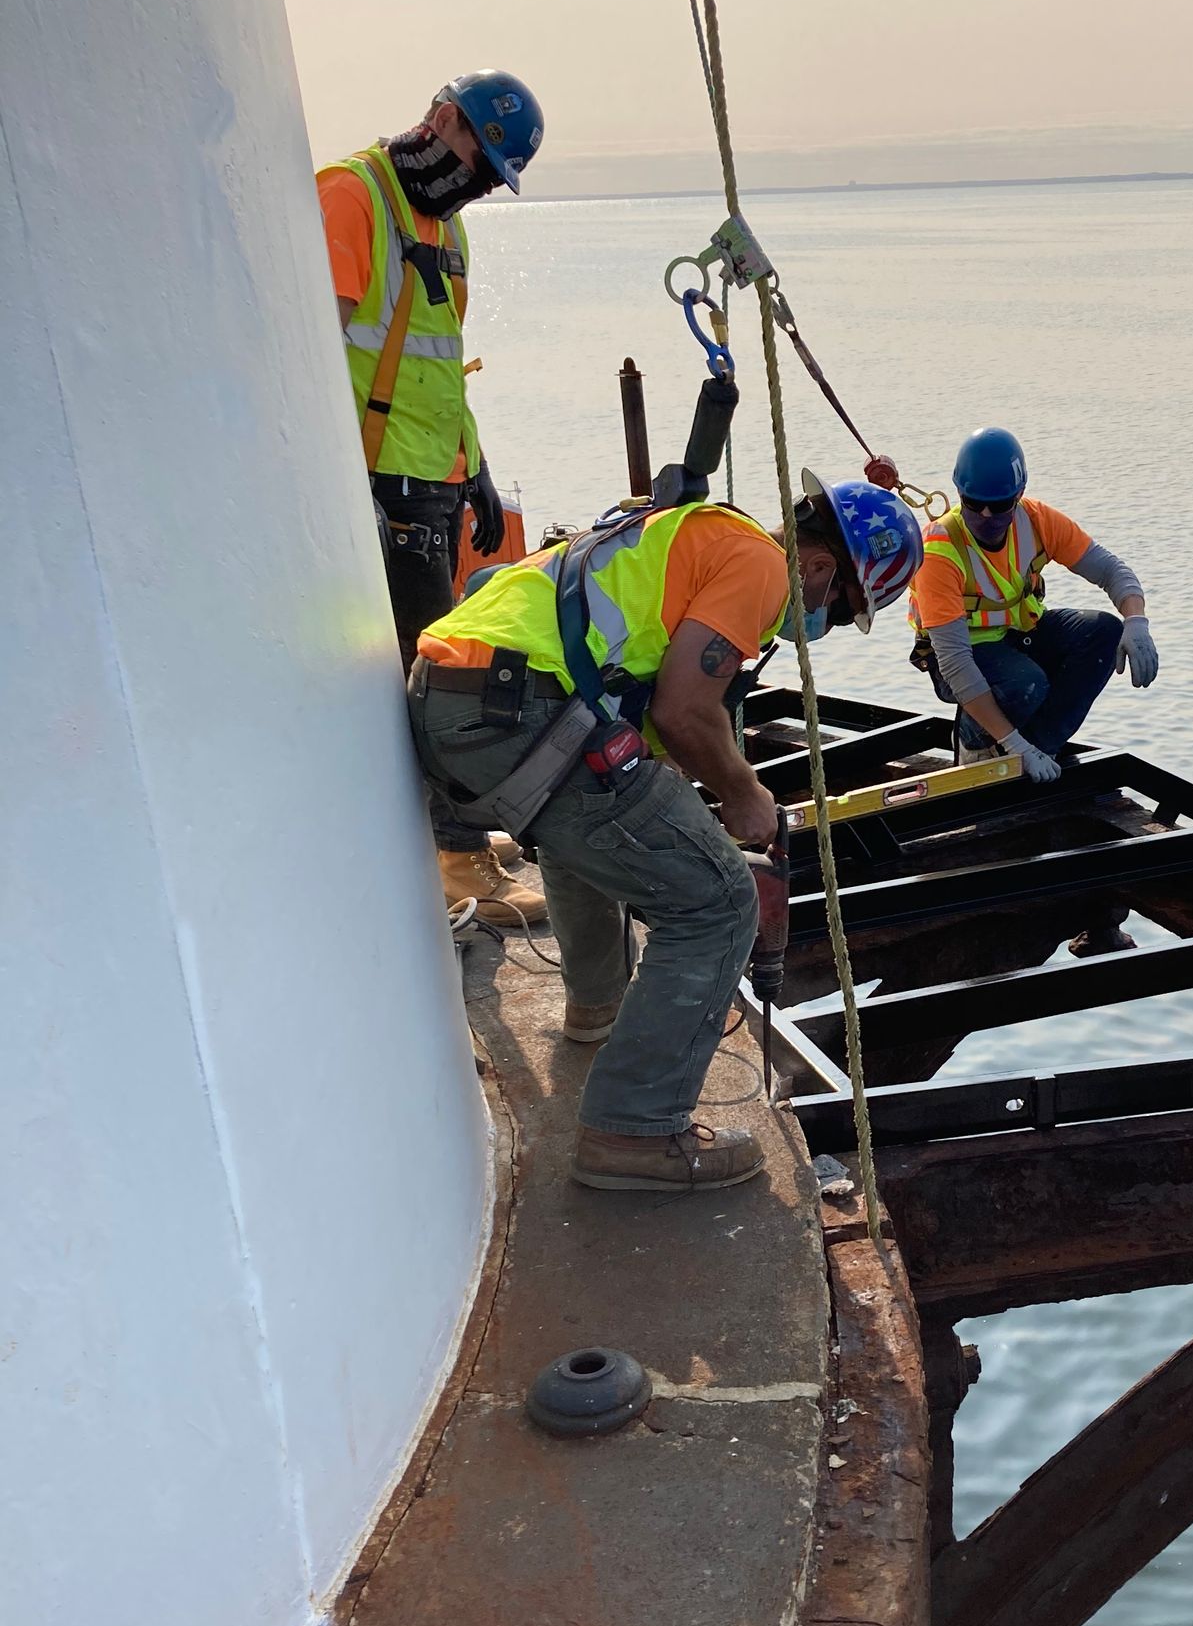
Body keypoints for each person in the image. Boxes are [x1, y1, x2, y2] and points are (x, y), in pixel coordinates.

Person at [408, 474, 922, 1194]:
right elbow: (686, 709)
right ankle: (634, 1130)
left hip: (456, 693)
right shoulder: (761, 567)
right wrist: (746, 797)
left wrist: (691, 801)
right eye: (837, 609)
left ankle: (598, 1008)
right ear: (820, 567)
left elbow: (653, 736)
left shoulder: (695, 537)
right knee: (718, 901)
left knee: (590, 816)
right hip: (518, 704)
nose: (819, 622)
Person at [317, 70, 547, 926]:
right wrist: (342, 486)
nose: (475, 185)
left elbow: (438, 364)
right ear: (440, 118)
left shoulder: (445, 230)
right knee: (436, 677)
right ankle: (458, 860)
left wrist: (475, 464)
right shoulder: (351, 198)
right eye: (475, 160)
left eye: (491, 178)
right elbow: (305, 356)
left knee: (436, 658)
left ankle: (455, 839)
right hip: (385, 486)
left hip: (436, 484)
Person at [907, 427, 1158, 776]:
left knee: (1103, 632)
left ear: (1019, 494)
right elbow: (954, 663)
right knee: (1025, 683)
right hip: (961, 657)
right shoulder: (939, 550)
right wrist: (1013, 743)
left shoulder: (1037, 520)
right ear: (960, 494)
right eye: (973, 504)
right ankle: (976, 745)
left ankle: (1040, 749)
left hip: (1020, 636)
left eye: (999, 506)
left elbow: (1112, 571)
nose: (985, 516)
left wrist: (1136, 623)